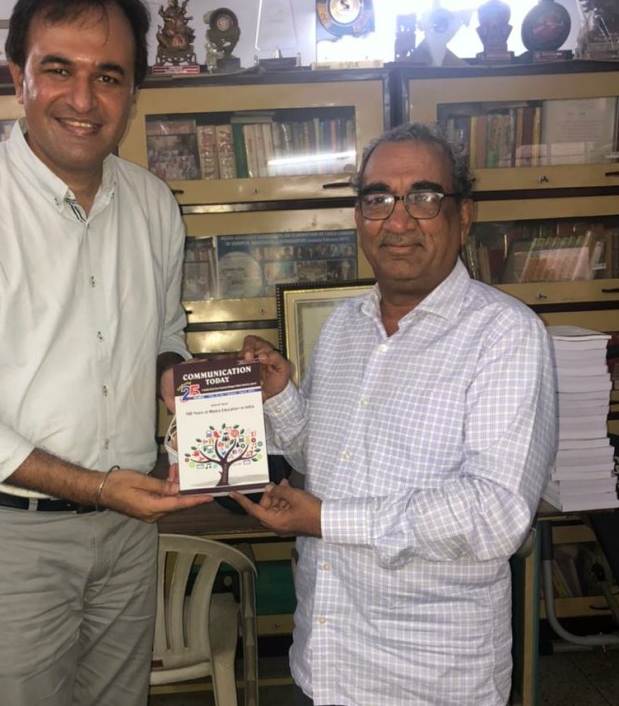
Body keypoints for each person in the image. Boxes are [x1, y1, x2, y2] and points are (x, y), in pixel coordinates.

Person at [0, 0, 211, 706]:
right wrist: (93, 485)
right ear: (19, 78)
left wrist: (187, 382)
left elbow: (164, 333)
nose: (84, 99)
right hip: (14, 540)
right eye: (59, 69)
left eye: (109, 76)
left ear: (132, 92)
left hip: (129, 530)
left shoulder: (154, 203)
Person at [231, 122, 558, 706]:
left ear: (463, 216)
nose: (398, 221)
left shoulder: (505, 334)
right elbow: (323, 459)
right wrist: (281, 394)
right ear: (359, 217)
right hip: (325, 661)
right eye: (378, 198)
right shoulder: (344, 326)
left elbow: (496, 513)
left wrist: (325, 520)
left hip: (428, 680)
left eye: (423, 197)